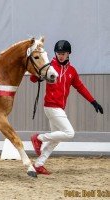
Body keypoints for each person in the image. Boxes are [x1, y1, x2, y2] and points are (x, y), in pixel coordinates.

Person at [30, 40, 103, 175]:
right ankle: (38, 138)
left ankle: (38, 165)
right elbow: (33, 79)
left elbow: (80, 87)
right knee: (69, 133)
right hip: (51, 106)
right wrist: (39, 77)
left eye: (63, 53)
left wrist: (93, 101)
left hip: (59, 108)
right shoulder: (50, 66)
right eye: (58, 53)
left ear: (68, 53)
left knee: (55, 139)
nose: (60, 56)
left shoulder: (72, 71)